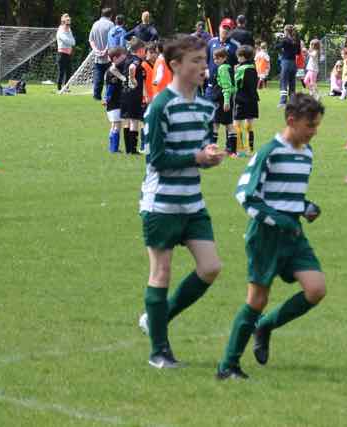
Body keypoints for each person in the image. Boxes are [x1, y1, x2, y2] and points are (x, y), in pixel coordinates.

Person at [217, 94, 326, 380]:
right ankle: (228, 365)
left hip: (292, 234)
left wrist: (305, 208)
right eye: (310, 125)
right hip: (266, 236)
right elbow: (245, 195)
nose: (314, 131)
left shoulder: (307, 153)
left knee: (316, 289)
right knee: (257, 300)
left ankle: (265, 326)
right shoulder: (270, 152)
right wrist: (279, 219)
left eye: (316, 125)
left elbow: (287, 196)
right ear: (291, 120)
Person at [138, 35, 226, 369]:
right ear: (175, 65)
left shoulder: (205, 106)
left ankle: (155, 319)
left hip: (192, 203)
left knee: (211, 267)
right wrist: (197, 158)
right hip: (161, 203)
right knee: (161, 272)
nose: (204, 67)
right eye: (196, 61)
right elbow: (157, 159)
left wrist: (210, 156)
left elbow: (200, 149)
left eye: (205, 60)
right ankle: (159, 352)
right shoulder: (160, 106)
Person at [120, 38, 147, 155]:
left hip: (124, 92)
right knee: (134, 120)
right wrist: (133, 79)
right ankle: (133, 150)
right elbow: (132, 68)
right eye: (145, 50)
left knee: (126, 120)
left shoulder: (126, 58)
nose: (145, 53)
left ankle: (128, 149)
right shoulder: (136, 60)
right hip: (134, 93)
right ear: (140, 50)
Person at [210, 49, 237, 155]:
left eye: (218, 58)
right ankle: (232, 151)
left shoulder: (222, 68)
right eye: (214, 59)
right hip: (226, 99)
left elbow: (226, 86)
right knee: (228, 124)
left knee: (216, 124)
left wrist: (226, 101)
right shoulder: (228, 67)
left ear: (224, 58)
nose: (215, 61)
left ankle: (212, 149)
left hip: (221, 101)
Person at [234, 45, 260, 155]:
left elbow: (237, 84)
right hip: (253, 99)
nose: (237, 58)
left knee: (236, 124)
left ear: (243, 57)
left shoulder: (241, 69)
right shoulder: (253, 68)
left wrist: (235, 72)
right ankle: (250, 149)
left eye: (238, 56)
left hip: (241, 99)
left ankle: (240, 149)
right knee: (249, 125)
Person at [205, 18, 240, 99]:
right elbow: (205, 60)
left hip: (226, 88)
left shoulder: (235, 45)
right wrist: (206, 70)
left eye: (228, 29)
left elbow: (240, 64)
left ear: (232, 31)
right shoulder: (211, 42)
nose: (226, 31)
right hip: (211, 86)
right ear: (219, 28)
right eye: (224, 27)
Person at [103, 47, 127, 153]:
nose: (124, 58)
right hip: (114, 102)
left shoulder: (116, 69)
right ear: (115, 58)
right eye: (122, 57)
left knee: (114, 124)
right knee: (117, 124)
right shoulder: (112, 72)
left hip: (115, 102)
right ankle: (114, 149)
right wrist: (107, 99)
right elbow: (110, 88)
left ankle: (112, 148)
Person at [88, 8, 115, 101]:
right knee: (110, 77)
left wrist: (96, 50)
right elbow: (111, 40)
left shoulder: (95, 24)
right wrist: (105, 50)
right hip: (109, 56)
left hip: (98, 56)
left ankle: (96, 96)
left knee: (98, 77)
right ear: (110, 15)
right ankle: (108, 96)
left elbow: (91, 39)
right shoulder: (111, 25)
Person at [275, 24, 301, 107]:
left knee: (283, 82)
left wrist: (278, 38)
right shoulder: (297, 40)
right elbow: (298, 52)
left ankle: (283, 102)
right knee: (292, 83)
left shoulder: (285, 40)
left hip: (286, 62)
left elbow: (276, 47)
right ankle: (293, 101)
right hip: (293, 63)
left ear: (286, 31)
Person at [56, 13, 75, 92]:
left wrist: (70, 41)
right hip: (62, 54)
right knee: (61, 72)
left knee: (69, 72)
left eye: (69, 24)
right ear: (63, 22)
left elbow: (73, 42)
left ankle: (66, 87)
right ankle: (59, 88)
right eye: (67, 24)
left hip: (68, 54)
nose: (68, 25)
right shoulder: (60, 31)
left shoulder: (69, 30)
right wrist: (70, 41)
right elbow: (66, 40)